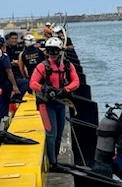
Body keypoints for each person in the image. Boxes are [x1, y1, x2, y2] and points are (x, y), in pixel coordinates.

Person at [29, 36, 80, 171]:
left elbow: (76, 82)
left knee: (59, 134)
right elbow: (33, 83)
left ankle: (55, 160)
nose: (52, 54)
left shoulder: (68, 66)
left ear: (60, 51)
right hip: (46, 104)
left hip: (60, 102)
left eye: (55, 51)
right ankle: (52, 163)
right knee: (51, 134)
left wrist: (64, 90)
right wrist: (44, 88)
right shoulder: (42, 66)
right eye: (50, 51)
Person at [0, 35, 29, 121]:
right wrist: (14, 86)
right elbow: (9, 71)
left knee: (3, 104)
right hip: (7, 83)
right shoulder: (4, 56)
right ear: (3, 46)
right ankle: (16, 97)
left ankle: (1, 123)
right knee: (26, 83)